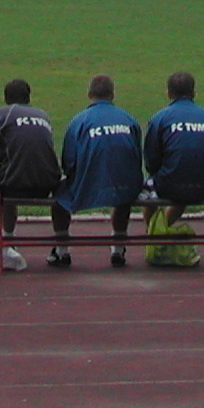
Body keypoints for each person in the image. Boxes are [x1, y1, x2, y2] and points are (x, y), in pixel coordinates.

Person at [48, 75, 144, 268]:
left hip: (88, 184)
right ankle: (118, 250)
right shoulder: (129, 119)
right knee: (124, 195)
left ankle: (62, 251)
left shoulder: (79, 121)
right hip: (123, 185)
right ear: (112, 94)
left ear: (89, 94)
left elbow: (69, 162)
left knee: (58, 199)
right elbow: (137, 156)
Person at [0, 79, 61, 270]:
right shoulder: (42, 115)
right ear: (29, 97)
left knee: (4, 185)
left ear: (6, 98)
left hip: (14, 185)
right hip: (49, 183)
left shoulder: (3, 114)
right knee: (13, 175)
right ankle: (61, 248)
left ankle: (0, 235)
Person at [143, 71, 204, 228]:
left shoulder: (160, 118)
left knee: (150, 188)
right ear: (193, 93)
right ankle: (161, 230)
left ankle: (152, 234)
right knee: (185, 177)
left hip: (170, 186)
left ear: (169, 93)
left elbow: (151, 161)